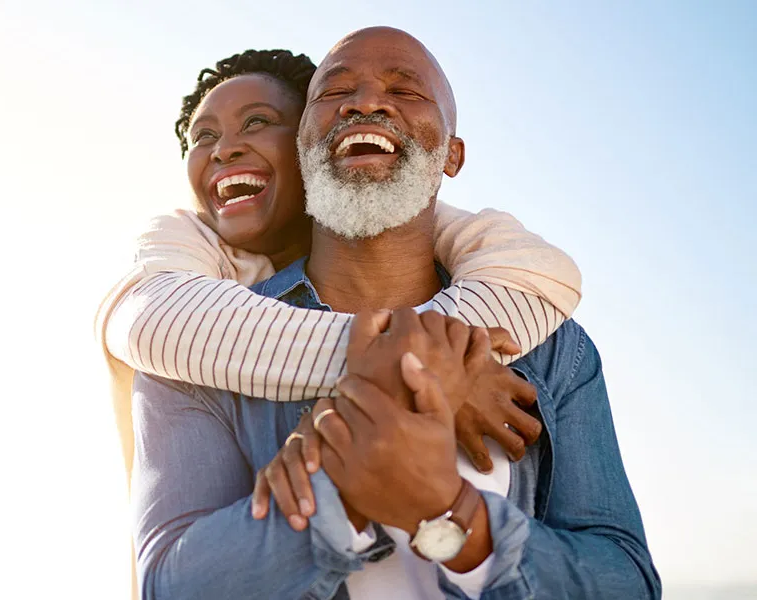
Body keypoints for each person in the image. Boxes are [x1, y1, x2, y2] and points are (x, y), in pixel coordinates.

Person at [129, 27, 660, 600]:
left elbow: (627, 580)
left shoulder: (555, 349)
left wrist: (452, 514)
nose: (365, 102)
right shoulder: (197, 352)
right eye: (335, 92)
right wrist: (340, 492)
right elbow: (172, 584)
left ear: (451, 154)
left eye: (406, 91)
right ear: (304, 146)